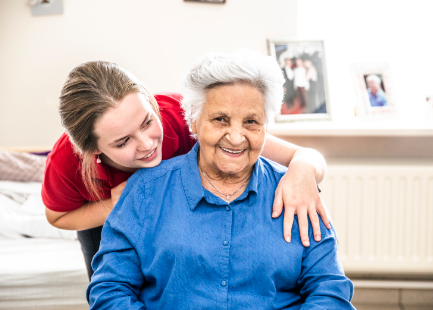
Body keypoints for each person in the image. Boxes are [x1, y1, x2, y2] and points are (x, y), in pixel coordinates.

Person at [87, 49, 355, 309]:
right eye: (220, 120)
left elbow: (329, 292)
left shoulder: (298, 192)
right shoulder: (145, 192)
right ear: (193, 121)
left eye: (251, 121)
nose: (236, 137)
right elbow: (110, 291)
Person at [42, 61, 328, 281]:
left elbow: (302, 155)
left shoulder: (184, 118)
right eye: (123, 141)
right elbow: (57, 216)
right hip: (106, 215)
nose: (147, 144)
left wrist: (304, 170)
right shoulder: (68, 163)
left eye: (146, 122)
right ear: (94, 150)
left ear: (153, 105)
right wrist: (113, 205)